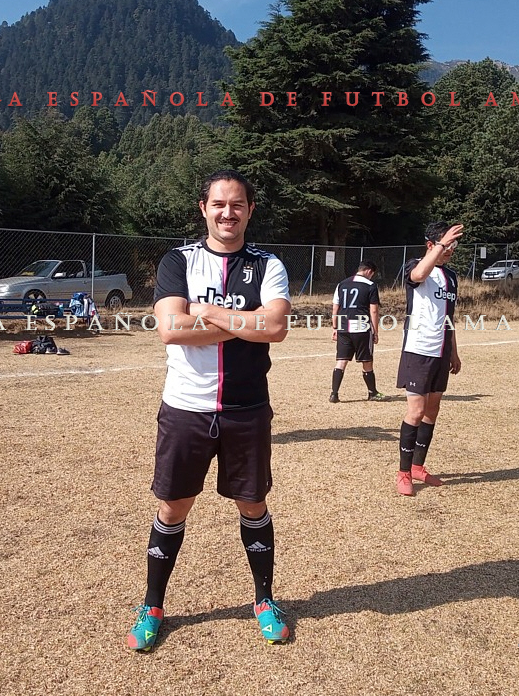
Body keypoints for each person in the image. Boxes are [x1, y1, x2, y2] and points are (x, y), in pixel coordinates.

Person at [127, 169, 293, 651]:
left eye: (237, 204)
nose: (227, 213)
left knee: (253, 504)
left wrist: (208, 312)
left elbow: (276, 328)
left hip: (247, 408)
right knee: (173, 506)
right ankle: (152, 606)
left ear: (250, 210)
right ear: (204, 209)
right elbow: (171, 330)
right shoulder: (178, 260)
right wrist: (247, 322)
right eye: (218, 204)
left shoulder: (268, 264)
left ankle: (264, 601)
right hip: (186, 408)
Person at [394, 221, 465, 496]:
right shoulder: (415, 265)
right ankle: (403, 473)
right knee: (416, 411)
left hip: (441, 351)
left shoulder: (452, 277)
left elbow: (449, 316)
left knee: (432, 411)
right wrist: (440, 245)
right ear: (431, 245)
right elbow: (419, 274)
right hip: (418, 350)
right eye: (447, 246)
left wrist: (454, 351)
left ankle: (417, 467)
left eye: (453, 246)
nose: (451, 250)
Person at [329, 261, 385, 402]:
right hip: (361, 326)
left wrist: (335, 327)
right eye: (372, 274)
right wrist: (375, 331)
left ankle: (334, 394)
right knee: (367, 361)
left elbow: (335, 307)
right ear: (369, 271)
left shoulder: (341, 284)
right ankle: (372, 392)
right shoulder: (370, 285)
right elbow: (374, 310)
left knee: (341, 361)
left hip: (343, 326)